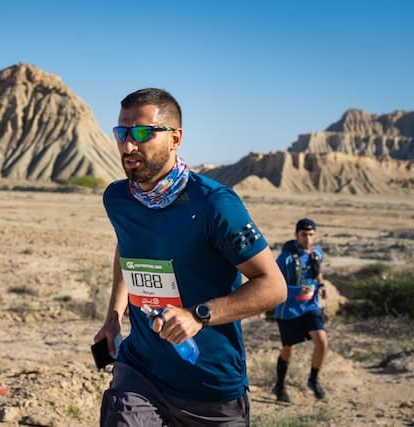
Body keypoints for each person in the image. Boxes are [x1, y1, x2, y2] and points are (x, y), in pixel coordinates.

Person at [94, 87, 287, 426]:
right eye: (121, 133)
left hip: (210, 385)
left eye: (142, 133)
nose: (128, 145)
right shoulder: (118, 198)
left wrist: (197, 316)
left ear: (175, 138)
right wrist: (114, 316)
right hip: (140, 371)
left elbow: (273, 286)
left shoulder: (214, 204)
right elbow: (127, 250)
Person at [272, 218, 328, 402]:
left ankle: (313, 379)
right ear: (296, 235)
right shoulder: (285, 258)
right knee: (289, 349)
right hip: (288, 310)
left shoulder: (317, 253)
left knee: (322, 341)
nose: (308, 239)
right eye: (304, 235)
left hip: (310, 306)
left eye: (311, 235)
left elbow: (317, 272)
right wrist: (296, 290)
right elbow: (274, 284)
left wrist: (321, 285)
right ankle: (279, 386)